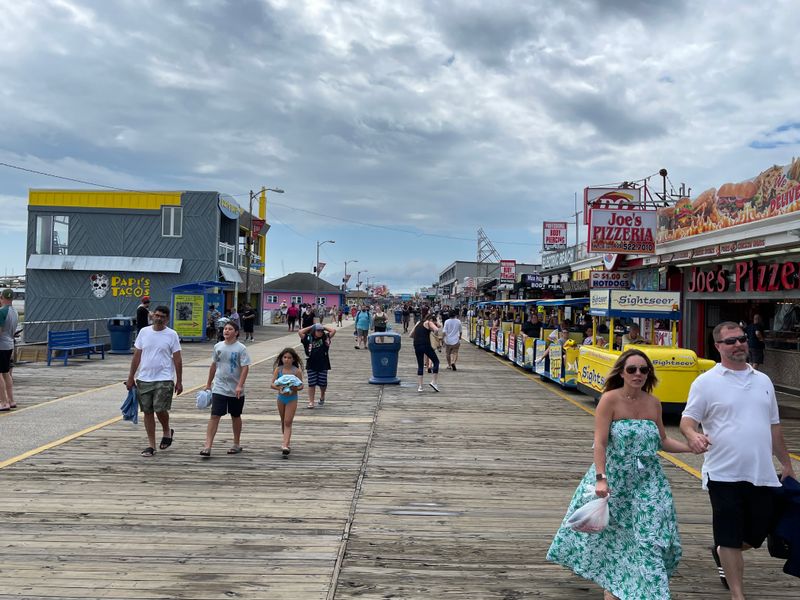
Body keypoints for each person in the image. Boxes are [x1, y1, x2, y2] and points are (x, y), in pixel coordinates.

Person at [548, 349, 691, 599]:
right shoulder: (609, 400)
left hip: (648, 479)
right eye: (632, 369)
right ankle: (614, 585)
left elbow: (663, 441)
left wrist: (692, 447)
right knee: (615, 536)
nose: (638, 374)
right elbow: (600, 443)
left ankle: (651, 590)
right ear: (622, 373)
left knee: (651, 535)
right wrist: (600, 478)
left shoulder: (653, 402)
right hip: (616, 478)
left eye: (643, 370)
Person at [680, 321, 795, 599]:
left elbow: (774, 426)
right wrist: (693, 436)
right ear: (718, 346)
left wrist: (787, 463)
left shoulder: (763, 380)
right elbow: (687, 420)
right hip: (723, 474)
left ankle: (721, 550)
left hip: (762, 472)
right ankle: (737, 594)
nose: (738, 345)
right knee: (730, 534)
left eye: (742, 339)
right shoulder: (706, 382)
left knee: (758, 532)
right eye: (730, 341)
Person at [125, 305, 183, 457]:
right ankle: (151, 445)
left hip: (164, 378)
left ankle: (166, 430)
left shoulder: (172, 335)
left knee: (160, 408)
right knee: (148, 412)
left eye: (162, 316)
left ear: (167, 319)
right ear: (152, 316)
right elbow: (137, 355)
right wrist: (131, 377)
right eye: (156, 315)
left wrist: (179, 380)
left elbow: (177, 359)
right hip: (144, 378)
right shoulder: (144, 332)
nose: (159, 318)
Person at [199, 321, 251, 457]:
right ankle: (207, 446)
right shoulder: (218, 346)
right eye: (225, 329)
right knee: (215, 415)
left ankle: (236, 443)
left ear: (236, 332)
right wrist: (208, 383)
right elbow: (213, 365)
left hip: (236, 389)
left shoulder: (241, 348)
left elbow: (245, 367)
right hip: (219, 387)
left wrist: (240, 385)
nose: (226, 331)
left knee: (235, 415)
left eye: (230, 329)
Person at [270, 347, 304, 456]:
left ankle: (285, 444)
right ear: (282, 358)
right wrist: (278, 388)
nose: (287, 359)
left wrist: (295, 388)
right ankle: (285, 441)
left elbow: (301, 385)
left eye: (289, 358)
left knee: (288, 421)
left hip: (292, 398)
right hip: (281, 398)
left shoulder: (296, 371)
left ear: (293, 359)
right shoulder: (278, 370)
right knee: (283, 420)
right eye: (285, 357)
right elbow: (272, 384)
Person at [299, 323, 336, 409]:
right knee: (311, 383)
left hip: (323, 363)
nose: (320, 332)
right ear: (314, 331)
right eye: (318, 330)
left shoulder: (325, 338)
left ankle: (322, 395)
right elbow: (300, 332)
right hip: (311, 363)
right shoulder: (308, 338)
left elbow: (333, 331)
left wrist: (323, 327)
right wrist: (312, 326)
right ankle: (311, 401)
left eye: (321, 331)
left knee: (323, 383)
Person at [410, 313, 441, 392]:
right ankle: (434, 382)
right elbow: (437, 329)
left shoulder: (418, 323)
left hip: (416, 345)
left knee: (420, 365)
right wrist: (435, 335)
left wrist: (420, 335)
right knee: (436, 361)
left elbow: (411, 335)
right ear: (431, 320)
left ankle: (420, 387)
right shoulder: (428, 322)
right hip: (425, 345)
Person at [0, 289, 19, 411]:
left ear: (1, 297)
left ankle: (3, 402)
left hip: (1, 345)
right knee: (6, 373)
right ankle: (11, 400)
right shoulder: (15, 311)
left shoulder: (2, 312)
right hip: (10, 344)